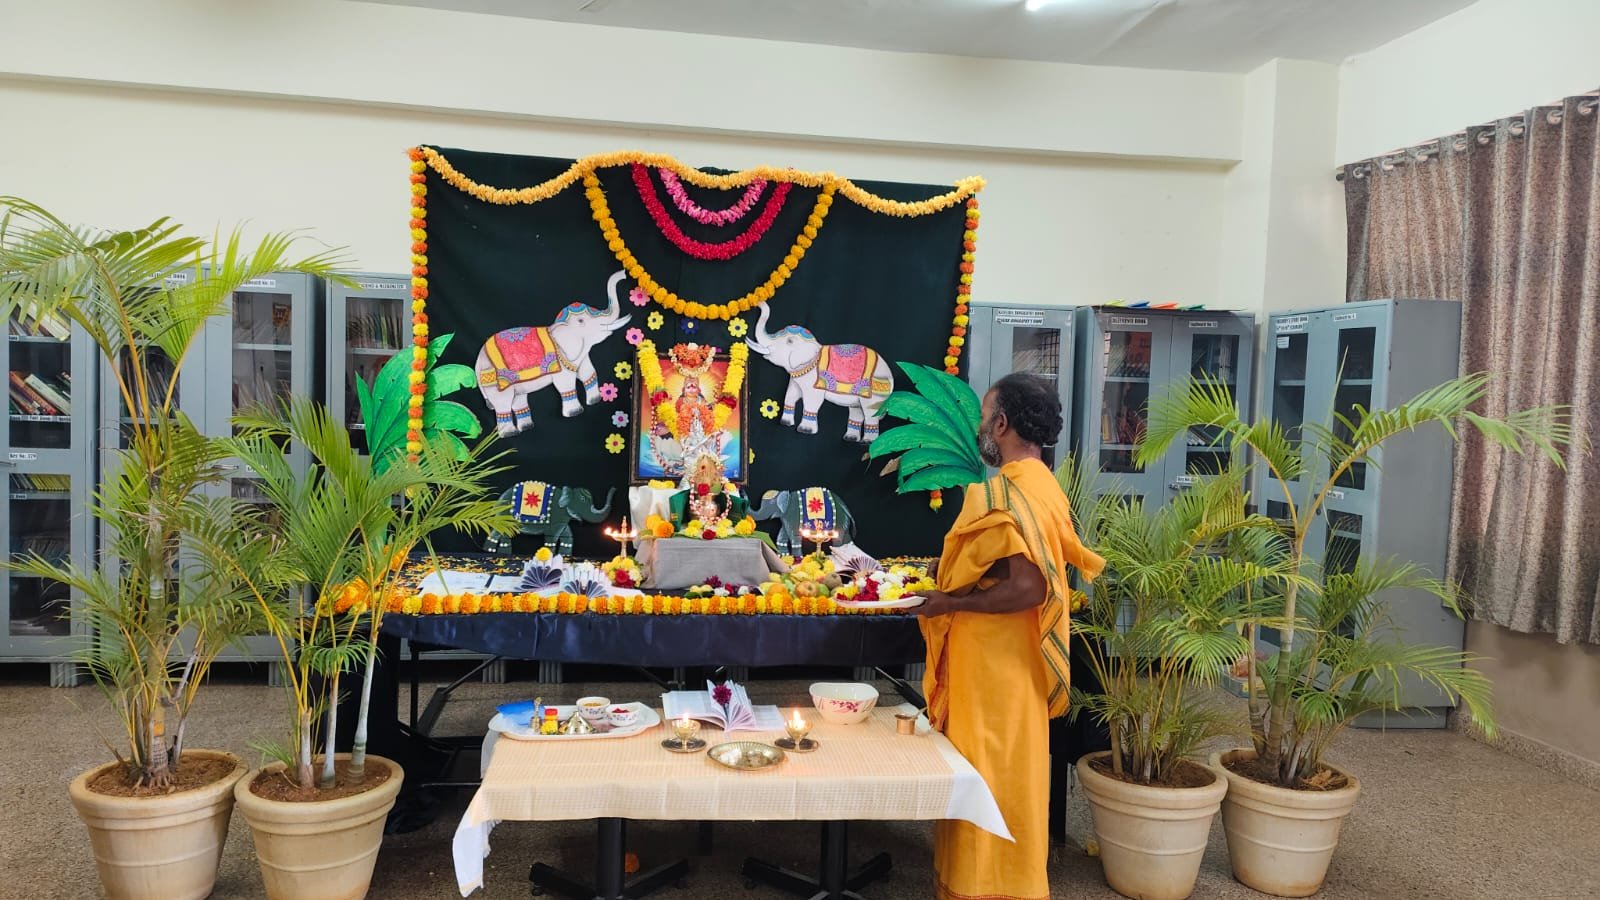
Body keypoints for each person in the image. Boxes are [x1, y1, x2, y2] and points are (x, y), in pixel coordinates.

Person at [916, 372, 1105, 900]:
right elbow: (1006, 568)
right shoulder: (1043, 485)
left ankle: (981, 887)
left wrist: (951, 601)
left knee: (984, 776)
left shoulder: (1004, 492)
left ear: (1001, 424)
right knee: (1013, 777)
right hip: (1016, 666)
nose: (981, 427)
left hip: (993, 669)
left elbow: (1028, 586)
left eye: (984, 417)